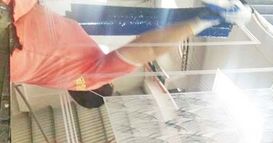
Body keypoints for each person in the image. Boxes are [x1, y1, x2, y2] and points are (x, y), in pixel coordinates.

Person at [5, 0, 251, 108]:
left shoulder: (89, 78)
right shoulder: (69, 73)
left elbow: (149, 49)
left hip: (11, 34)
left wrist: (204, 21)